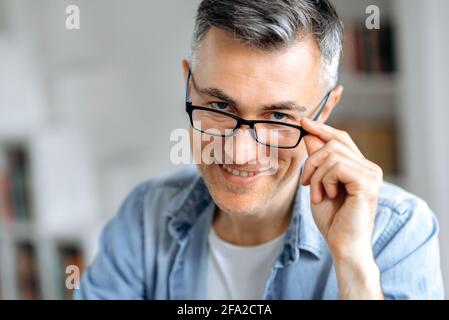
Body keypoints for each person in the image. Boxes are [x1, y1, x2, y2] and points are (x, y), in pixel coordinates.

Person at [75, 0, 444, 299]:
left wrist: (353, 265)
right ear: (189, 85)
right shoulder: (144, 216)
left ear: (325, 110)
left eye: (278, 116)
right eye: (220, 107)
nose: (240, 152)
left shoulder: (397, 232)